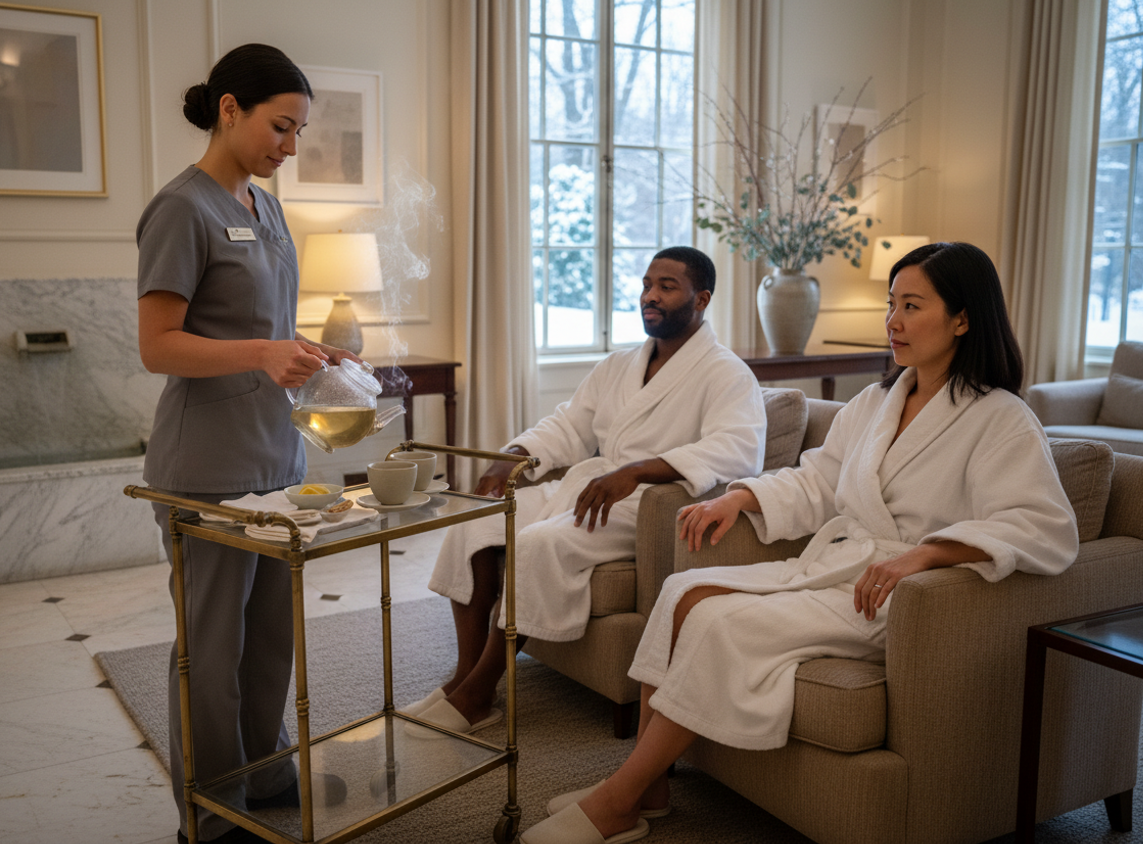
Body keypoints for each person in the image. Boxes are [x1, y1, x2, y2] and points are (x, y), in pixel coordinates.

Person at [520, 241, 1080, 844]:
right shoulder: (876, 401)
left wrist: (930, 552)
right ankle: (652, 786)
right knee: (680, 590)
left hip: (900, 593)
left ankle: (620, 800)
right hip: (842, 563)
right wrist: (741, 497)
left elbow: (1042, 525)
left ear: (964, 317)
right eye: (891, 304)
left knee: (720, 622)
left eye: (912, 306)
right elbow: (818, 479)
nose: (893, 321)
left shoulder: (1000, 417)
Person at [136, 44, 355, 844]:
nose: (288, 148)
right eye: (280, 126)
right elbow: (159, 345)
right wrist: (262, 354)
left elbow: (261, 330)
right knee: (209, 646)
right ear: (230, 109)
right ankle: (212, 807)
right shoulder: (180, 209)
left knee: (269, 634)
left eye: (297, 132)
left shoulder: (267, 208)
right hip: (207, 466)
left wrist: (303, 350)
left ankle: (264, 772)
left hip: (276, 459)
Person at [410, 247, 768, 734]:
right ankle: (465, 681)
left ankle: (480, 690)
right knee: (476, 521)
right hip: (593, 486)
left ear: (701, 299)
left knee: (538, 543)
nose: (650, 296)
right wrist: (512, 455)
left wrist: (638, 471)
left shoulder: (726, 373)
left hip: (650, 506)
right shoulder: (619, 365)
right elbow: (569, 426)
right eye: (646, 285)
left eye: (667, 287)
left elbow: (737, 450)